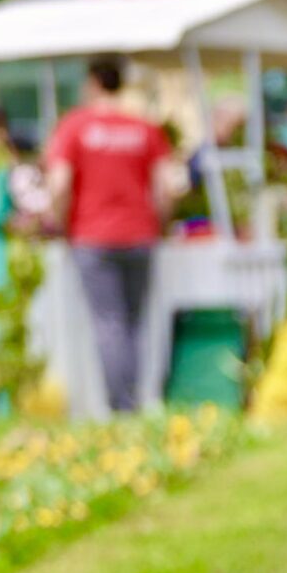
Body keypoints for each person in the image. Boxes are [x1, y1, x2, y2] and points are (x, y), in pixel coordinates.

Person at [43, 56, 182, 413]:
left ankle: (122, 406)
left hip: (92, 236)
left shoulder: (74, 126)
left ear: (92, 83)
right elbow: (168, 186)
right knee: (132, 325)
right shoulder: (145, 128)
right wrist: (160, 223)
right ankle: (133, 400)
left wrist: (57, 222)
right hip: (140, 236)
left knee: (109, 324)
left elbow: (59, 185)